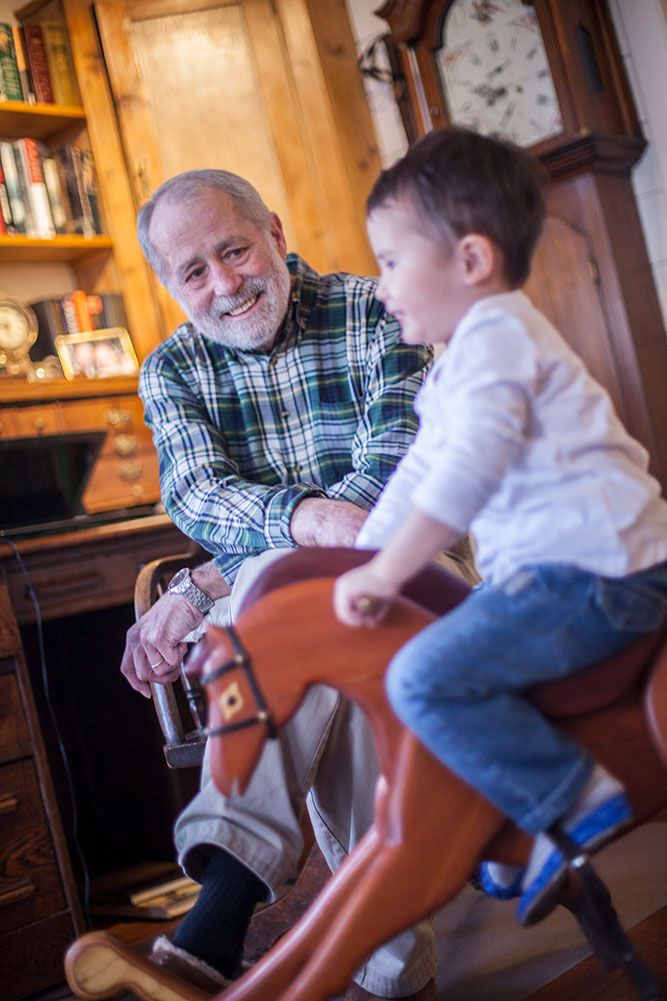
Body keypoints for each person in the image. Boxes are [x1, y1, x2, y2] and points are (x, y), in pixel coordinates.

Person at [120, 167, 453, 998]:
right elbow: (197, 495)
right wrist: (302, 526)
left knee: (280, 578)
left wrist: (208, 579)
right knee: (299, 591)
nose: (224, 283)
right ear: (170, 283)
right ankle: (390, 973)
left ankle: (224, 905)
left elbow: (395, 476)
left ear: (274, 228)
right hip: (313, 603)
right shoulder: (172, 370)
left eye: (235, 249)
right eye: (193, 271)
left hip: (415, 568)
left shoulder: (380, 309)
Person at [334, 126, 667, 929]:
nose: (380, 287)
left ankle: (570, 799)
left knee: (423, 676)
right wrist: (347, 557)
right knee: (447, 649)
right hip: (561, 570)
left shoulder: (498, 340)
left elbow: (464, 474)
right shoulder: (459, 358)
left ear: (471, 261)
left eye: (388, 261)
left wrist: (384, 575)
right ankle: (502, 816)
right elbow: (418, 469)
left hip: (599, 571)